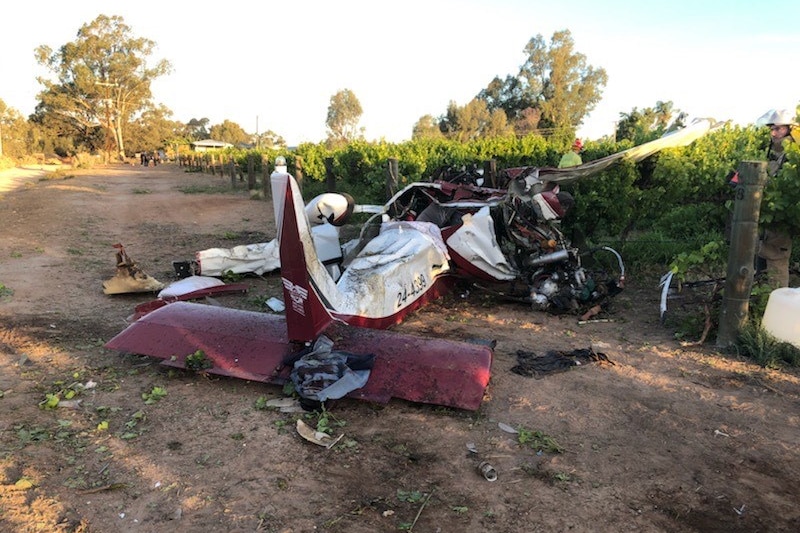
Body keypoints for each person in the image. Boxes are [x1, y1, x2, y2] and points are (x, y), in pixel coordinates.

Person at [757, 109, 797, 287]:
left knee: (777, 257)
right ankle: (764, 300)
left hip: (783, 216)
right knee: (764, 257)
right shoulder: (771, 152)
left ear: (791, 129)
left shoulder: (793, 155)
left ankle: (776, 301)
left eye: (779, 129)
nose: (774, 133)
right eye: (772, 129)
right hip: (768, 214)